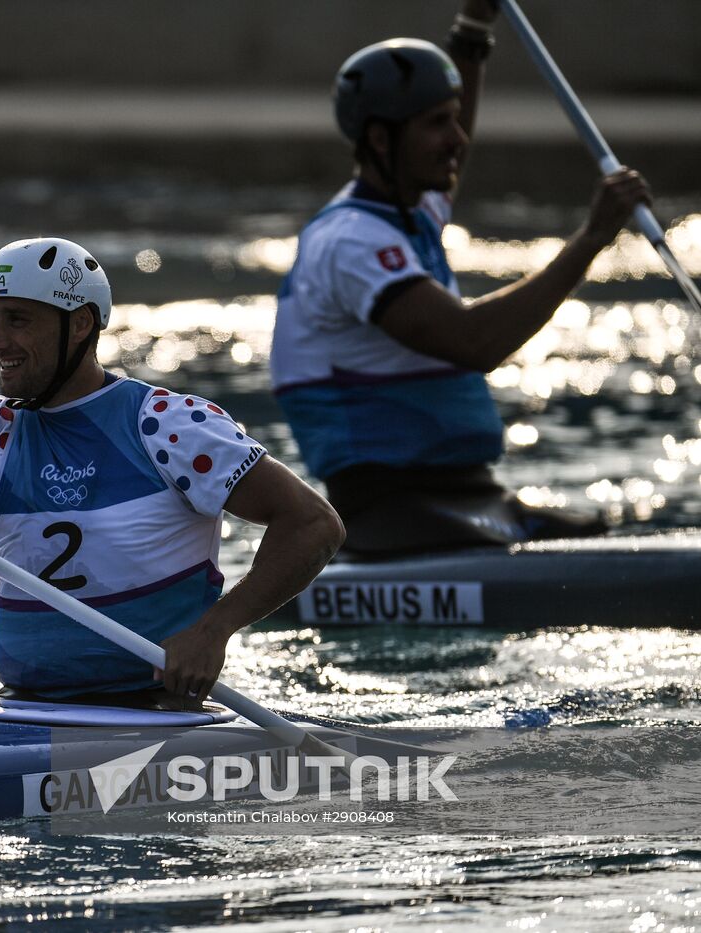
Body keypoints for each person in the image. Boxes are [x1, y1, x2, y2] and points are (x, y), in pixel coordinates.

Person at [0, 237, 343, 704]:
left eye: (18, 319)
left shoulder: (167, 425)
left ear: (82, 324)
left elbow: (314, 523)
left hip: (151, 708)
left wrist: (215, 630)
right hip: (24, 708)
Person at [270, 2, 654, 556]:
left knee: (599, 534)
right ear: (380, 140)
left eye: (454, 118)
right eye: (436, 123)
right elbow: (473, 344)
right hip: (387, 510)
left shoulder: (411, 209)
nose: (458, 139)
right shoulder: (350, 240)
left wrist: (474, 30)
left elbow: (454, 129)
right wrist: (592, 237)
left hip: (471, 495)